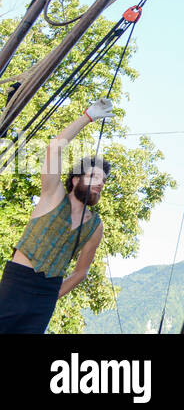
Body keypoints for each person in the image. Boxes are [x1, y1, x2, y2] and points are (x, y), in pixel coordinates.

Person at [0, 98, 113, 333]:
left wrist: (51, 296)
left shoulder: (95, 226)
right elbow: (54, 149)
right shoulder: (53, 194)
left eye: (103, 180)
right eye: (94, 177)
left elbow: (81, 272)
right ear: (75, 179)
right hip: (16, 283)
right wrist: (87, 118)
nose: (100, 183)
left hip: (46, 296)